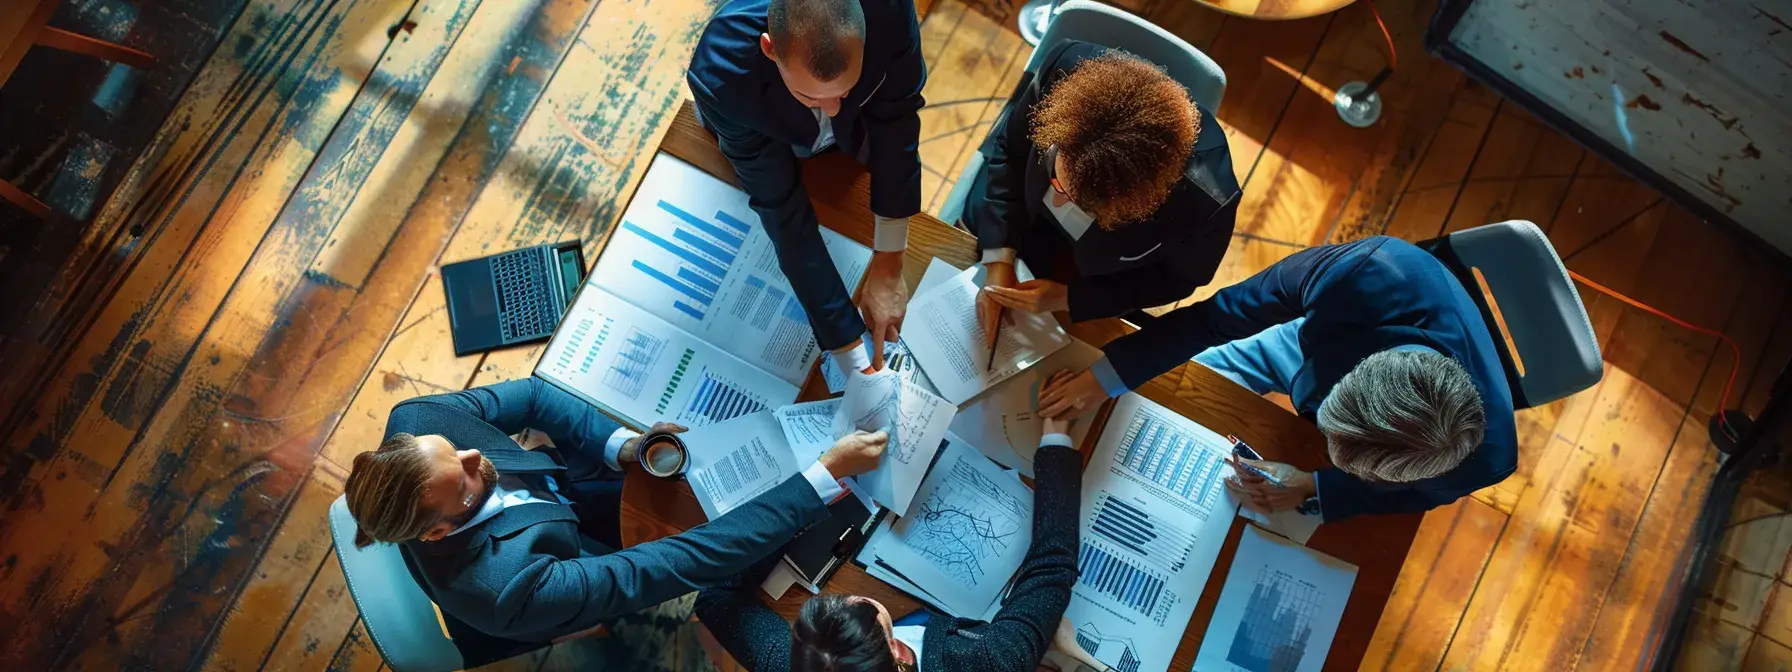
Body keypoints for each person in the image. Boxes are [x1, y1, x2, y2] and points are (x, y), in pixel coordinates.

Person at [342, 377, 889, 643]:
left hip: (555, 507)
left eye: (454, 449)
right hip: (549, 589)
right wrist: (822, 477)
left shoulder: (420, 420)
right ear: (436, 532)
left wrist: (622, 447)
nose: (473, 454)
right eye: (461, 476)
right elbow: (677, 563)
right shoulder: (509, 591)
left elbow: (533, 397)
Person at [1036, 237, 1516, 522]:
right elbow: (1218, 318)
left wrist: (1315, 486)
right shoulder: (1362, 271)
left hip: (1344, 353)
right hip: (1318, 337)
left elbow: (1413, 495)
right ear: (1358, 372)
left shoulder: (1483, 462)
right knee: (1176, 392)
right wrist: (1104, 377)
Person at [694, 373, 1104, 671]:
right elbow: (1052, 567)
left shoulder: (794, 665)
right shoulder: (991, 662)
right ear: (896, 652)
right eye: (855, 611)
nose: (845, 600)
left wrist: (809, 494)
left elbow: (715, 598)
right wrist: (1055, 441)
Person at [687, 0, 925, 374]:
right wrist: (848, 352)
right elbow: (780, 205)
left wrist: (890, 261)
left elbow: (897, 113)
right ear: (769, 49)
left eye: (844, 90)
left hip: (851, 143)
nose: (830, 109)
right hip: (764, 133)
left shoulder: (889, 9)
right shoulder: (723, 77)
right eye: (811, 96)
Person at [964, 41, 1239, 342]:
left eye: (1081, 203)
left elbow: (1179, 279)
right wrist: (998, 258)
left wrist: (1070, 299)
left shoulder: (1208, 203)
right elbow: (1012, 151)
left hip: (1101, 272)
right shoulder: (1062, 72)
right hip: (1017, 212)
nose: (1058, 198)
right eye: (1058, 179)